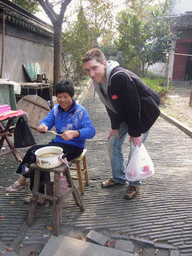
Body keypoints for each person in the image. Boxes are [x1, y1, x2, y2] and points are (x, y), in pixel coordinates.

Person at [82, 48, 160, 200]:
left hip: (143, 114)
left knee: (134, 147)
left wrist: (135, 133)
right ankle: (118, 177)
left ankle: (134, 182)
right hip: (126, 114)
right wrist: (115, 127)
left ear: (104, 64)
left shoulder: (119, 77)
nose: (91, 74)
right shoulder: (98, 81)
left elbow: (134, 106)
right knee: (113, 142)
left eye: (94, 68)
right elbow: (109, 104)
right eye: (87, 70)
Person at [6, 79, 96, 203]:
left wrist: (75, 133)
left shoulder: (80, 111)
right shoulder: (56, 110)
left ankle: (26, 184)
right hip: (57, 144)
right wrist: (43, 126)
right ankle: (36, 192)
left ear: (72, 96)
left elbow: (91, 131)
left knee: (41, 160)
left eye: (66, 97)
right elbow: (47, 121)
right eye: (59, 97)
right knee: (34, 152)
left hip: (74, 148)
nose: (62, 100)